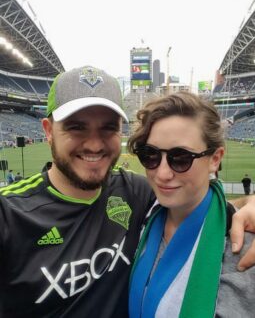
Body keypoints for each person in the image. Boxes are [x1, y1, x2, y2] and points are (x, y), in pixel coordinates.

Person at [0, 66, 255, 318]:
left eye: (108, 127)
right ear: (48, 131)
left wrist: (251, 202)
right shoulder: (9, 214)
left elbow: (201, 202)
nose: (94, 144)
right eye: (76, 127)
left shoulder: (137, 192)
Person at [128, 92, 255, 317]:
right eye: (150, 155)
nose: (163, 174)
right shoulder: (140, 213)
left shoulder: (244, 248)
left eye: (181, 158)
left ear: (215, 159)